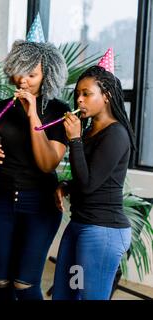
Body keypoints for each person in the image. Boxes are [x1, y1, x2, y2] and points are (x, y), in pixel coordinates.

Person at [0, 40, 69, 300]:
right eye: (20, 71)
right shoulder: (0, 109)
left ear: (47, 76)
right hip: (2, 199)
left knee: (24, 283)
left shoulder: (58, 111)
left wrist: (33, 113)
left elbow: (47, 163)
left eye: (32, 75)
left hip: (39, 204)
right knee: (0, 282)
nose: (24, 80)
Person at [52, 64, 135, 300]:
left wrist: (75, 140)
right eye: (77, 94)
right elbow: (85, 176)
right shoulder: (88, 132)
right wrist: (66, 186)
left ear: (106, 96)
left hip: (103, 231)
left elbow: (89, 185)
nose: (79, 100)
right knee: (64, 295)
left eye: (86, 94)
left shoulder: (116, 134)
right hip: (79, 225)